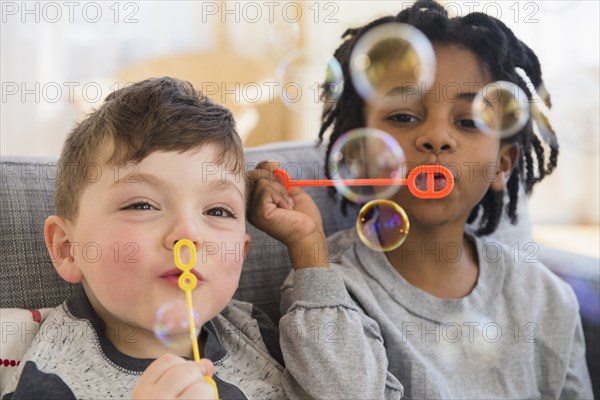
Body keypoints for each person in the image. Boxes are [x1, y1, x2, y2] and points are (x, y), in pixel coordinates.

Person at [248, 0, 594, 398]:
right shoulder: (328, 288)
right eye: (404, 117)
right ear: (361, 155)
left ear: (502, 165)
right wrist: (308, 254)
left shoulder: (547, 298)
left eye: (467, 121)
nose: (436, 137)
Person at [2, 77, 288, 399]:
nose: (188, 235)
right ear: (68, 249)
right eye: (141, 205)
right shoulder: (49, 380)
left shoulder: (256, 331)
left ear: (243, 252)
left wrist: (309, 255)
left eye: (218, 211)